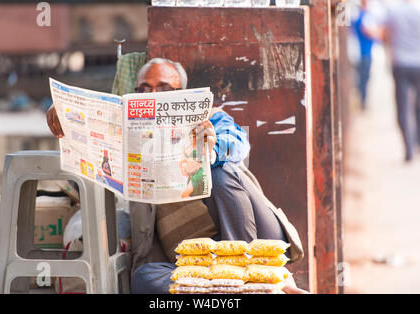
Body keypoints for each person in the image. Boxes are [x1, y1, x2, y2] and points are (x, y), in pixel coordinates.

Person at [47, 57, 306, 294]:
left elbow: (237, 143)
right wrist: (67, 120)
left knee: (220, 172)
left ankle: (253, 276)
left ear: (182, 93)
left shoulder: (211, 119)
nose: (153, 95)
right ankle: (230, 289)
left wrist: (211, 149)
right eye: (144, 89)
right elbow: (92, 164)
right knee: (144, 278)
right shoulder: (128, 135)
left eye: (163, 88)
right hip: (196, 261)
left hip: (253, 239)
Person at [378, 0, 420, 162]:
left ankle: (408, 147)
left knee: (402, 107)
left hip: (401, 63)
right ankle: (417, 142)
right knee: (418, 106)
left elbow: (383, 34)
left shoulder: (393, 12)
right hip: (418, 64)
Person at [352, 0, 376, 110]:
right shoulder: (364, 17)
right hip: (363, 52)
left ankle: (363, 98)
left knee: (363, 77)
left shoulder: (361, 16)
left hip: (364, 51)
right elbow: (368, 31)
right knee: (364, 77)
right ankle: (363, 99)